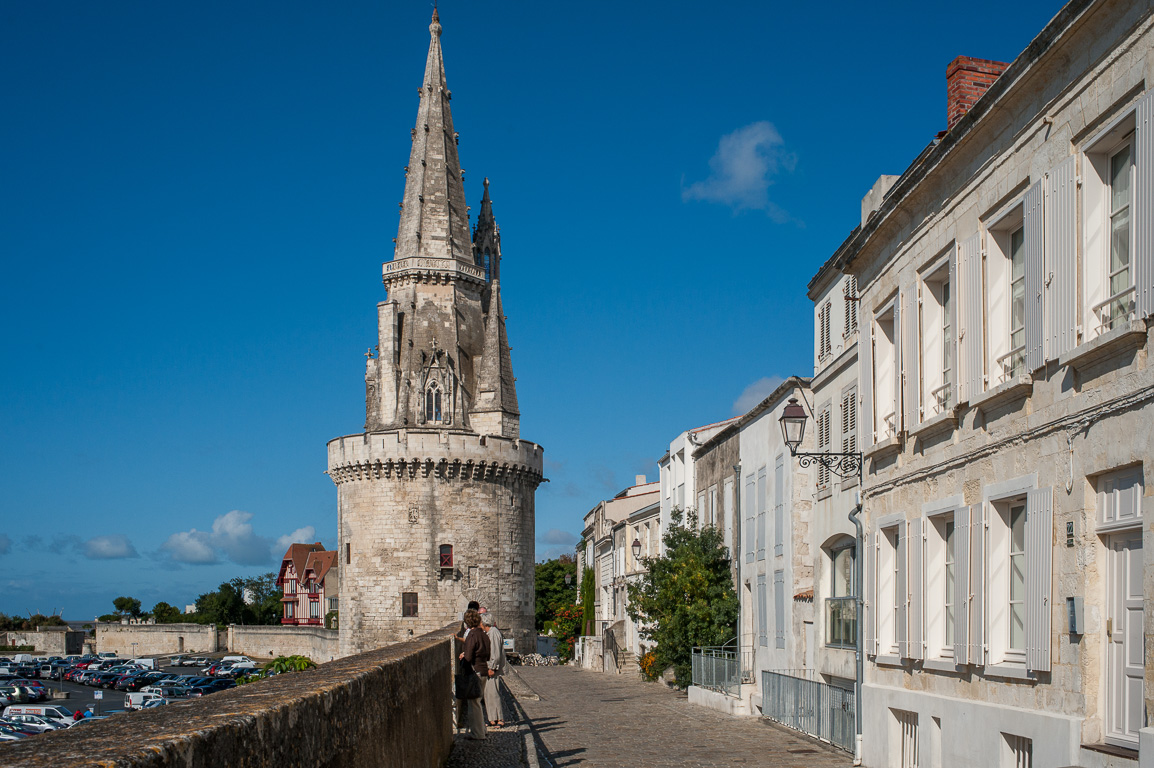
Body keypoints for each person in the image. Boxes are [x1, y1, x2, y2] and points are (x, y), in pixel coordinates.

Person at [458, 609, 490, 740]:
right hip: (483, 669)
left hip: (474, 671)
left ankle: (478, 733)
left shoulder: (472, 635)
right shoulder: (484, 634)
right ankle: (482, 730)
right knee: (478, 701)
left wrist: (464, 656)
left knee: (474, 703)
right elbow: (487, 654)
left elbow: (469, 656)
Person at [481, 612, 506, 728]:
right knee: (488, 694)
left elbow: (495, 653)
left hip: (493, 668)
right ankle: (492, 719)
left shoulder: (493, 633)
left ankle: (499, 719)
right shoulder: (489, 633)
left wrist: (492, 667)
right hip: (490, 667)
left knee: (494, 693)